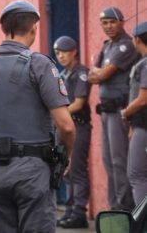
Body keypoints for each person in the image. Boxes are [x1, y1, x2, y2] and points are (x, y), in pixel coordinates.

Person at [0, 0, 75, 233]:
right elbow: (67, 127)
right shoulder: (40, 66)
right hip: (33, 173)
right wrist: (63, 160)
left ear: (3, 29)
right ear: (34, 29)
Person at [88, 6, 138, 211]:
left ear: (122, 22)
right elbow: (92, 76)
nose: (108, 26)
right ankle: (114, 207)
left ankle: (125, 209)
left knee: (120, 162)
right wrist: (98, 73)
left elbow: (101, 75)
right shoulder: (107, 46)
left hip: (121, 111)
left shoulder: (126, 46)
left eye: (112, 21)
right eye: (104, 22)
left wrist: (98, 73)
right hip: (106, 111)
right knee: (109, 162)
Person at [54, 36, 92, 229]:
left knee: (77, 170)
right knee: (67, 171)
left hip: (78, 126)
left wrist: (56, 113)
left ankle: (79, 212)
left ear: (74, 52)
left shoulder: (81, 73)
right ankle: (69, 211)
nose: (61, 56)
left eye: (64, 52)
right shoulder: (63, 74)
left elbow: (78, 103)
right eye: (58, 53)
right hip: (65, 127)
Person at [121, 22, 147, 205]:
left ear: (137, 39)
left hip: (144, 124)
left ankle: (143, 222)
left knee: (137, 174)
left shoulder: (145, 65)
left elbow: (143, 98)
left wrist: (126, 112)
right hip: (139, 125)